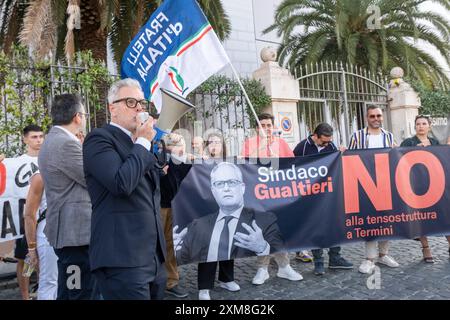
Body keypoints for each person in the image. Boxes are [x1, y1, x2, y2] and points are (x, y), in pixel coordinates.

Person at [83, 78, 166, 300]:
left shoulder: (140, 143)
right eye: (131, 102)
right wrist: (143, 143)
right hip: (122, 259)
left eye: (141, 102)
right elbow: (121, 183)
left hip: (153, 258)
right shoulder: (99, 139)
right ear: (113, 108)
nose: (140, 108)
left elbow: (157, 193)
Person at [38, 94, 94, 300]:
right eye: (85, 114)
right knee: (79, 292)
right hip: (74, 235)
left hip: (70, 233)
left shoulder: (56, 139)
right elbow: (91, 179)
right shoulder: (65, 143)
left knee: (69, 290)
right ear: (77, 117)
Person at [241, 113, 303, 285]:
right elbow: (245, 165)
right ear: (256, 128)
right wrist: (260, 148)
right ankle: (262, 269)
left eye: (269, 125)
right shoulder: (249, 144)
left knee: (279, 229)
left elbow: (293, 165)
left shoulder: (281, 143)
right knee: (262, 230)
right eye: (262, 125)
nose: (266, 128)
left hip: (278, 194)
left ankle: (284, 267)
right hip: (259, 195)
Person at [293, 123, 353, 275]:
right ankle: (318, 262)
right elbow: (292, 170)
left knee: (334, 225)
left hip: (328, 194)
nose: (327, 144)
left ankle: (335, 258)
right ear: (315, 136)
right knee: (314, 226)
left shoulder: (331, 146)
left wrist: (341, 154)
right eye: (324, 141)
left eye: (329, 141)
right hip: (310, 195)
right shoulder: (301, 147)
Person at [348, 105, 399, 274]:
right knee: (369, 221)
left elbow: (395, 157)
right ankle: (369, 259)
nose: (376, 118)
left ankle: (384, 254)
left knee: (386, 221)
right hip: (365, 186)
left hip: (385, 184)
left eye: (378, 115)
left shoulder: (389, 136)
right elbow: (350, 158)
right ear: (366, 118)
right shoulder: (357, 136)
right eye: (372, 116)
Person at [193, 133, 239, 300]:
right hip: (208, 209)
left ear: (223, 145)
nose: (214, 145)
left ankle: (227, 279)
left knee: (228, 243)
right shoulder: (201, 162)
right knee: (209, 247)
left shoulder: (231, 162)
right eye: (211, 142)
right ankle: (204, 287)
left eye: (217, 142)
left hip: (228, 208)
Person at [400, 114, 450, 262]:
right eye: (418, 124)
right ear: (415, 127)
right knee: (421, 216)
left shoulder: (435, 142)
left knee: (444, 214)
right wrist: (414, 150)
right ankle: (426, 248)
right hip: (416, 185)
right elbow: (400, 160)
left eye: (423, 124)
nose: (421, 126)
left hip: (436, 185)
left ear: (429, 126)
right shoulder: (409, 142)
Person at [13, 125, 44, 300]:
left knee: (45, 260)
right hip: (26, 218)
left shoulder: (48, 160)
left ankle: (43, 291)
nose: (38, 140)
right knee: (26, 260)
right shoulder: (17, 163)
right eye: (34, 137)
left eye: (41, 136)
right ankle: (25, 296)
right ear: (25, 139)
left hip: (46, 217)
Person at [159, 133, 190, 299]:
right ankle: (157, 279)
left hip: (175, 207)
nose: (180, 146)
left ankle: (171, 280)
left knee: (170, 244)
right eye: (176, 143)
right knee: (158, 244)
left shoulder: (184, 160)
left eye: (181, 142)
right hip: (159, 207)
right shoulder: (161, 157)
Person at [24, 171, 58, 299]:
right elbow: (29, 215)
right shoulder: (40, 176)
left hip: (71, 231)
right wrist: (32, 249)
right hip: (48, 232)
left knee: (67, 281)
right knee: (49, 281)